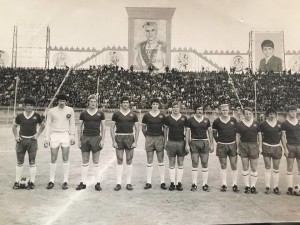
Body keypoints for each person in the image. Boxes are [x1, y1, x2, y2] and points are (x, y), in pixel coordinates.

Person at [44, 94, 76, 190]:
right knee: (53, 158)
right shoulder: (52, 111)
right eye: (60, 101)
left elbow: (72, 123)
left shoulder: (70, 110)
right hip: (54, 135)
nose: (62, 103)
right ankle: (51, 180)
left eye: (64, 101)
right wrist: (47, 138)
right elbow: (48, 124)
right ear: (57, 101)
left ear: (66, 102)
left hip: (65, 135)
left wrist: (72, 136)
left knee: (65, 158)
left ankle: (65, 181)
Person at [12, 98, 45, 189]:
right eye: (28, 105)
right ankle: (17, 181)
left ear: (33, 106)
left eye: (31, 105)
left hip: (32, 141)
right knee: (19, 161)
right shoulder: (20, 116)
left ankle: (31, 182)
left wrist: (37, 135)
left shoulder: (36, 115)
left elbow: (43, 125)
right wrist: (16, 136)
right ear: (25, 106)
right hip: (21, 140)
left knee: (32, 162)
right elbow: (14, 127)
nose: (29, 107)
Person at [76, 94, 105, 191]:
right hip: (85, 138)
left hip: (96, 138)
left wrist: (103, 140)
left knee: (96, 161)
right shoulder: (83, 113)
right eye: (91, 101)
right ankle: (83, 182)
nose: (93, 103)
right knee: (85, 161)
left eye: (95, 102)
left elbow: (104, 127)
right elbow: (79, 127)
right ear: (88, 102)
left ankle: (97, 182)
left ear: (97, 103)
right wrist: (79, 140)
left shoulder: (100, 113)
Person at [110, 96, 139, 191]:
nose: (125, 104)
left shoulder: (133, 114)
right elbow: (111, 128)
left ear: (129, 103)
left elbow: (137, 128)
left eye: (127, 102)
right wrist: (113, 141)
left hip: (129, 137)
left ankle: (128, 183)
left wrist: (135, 141)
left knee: (129, 159)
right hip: (119, 136)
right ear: (121, 103)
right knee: (119, 159)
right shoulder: (116, 114)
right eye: (124, 102)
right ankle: (118, 183)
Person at [185, 104, 214, 192]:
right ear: (195, 110)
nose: (200, 111)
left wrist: (211, 143)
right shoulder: (190, 120)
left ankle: (205, 184)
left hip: (204, 142)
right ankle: (194, 184)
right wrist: (187, 144)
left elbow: (210, 132)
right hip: (194, 142)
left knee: (205, 162)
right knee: (195, 162)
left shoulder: (206, 120)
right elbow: (187, 132)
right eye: (198, 109)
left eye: (201, 109)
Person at [212, 104, 239, 192]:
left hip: (232, 144)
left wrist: (236, 144)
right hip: (221, 145)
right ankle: (224, 184)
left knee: (234, 164)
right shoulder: (216, 121)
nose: (225, 112)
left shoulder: (233, 120)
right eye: (223, 110)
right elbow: (214, 134)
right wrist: (218, 141)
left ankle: (234, 184)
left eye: (226, 110)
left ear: (229, 110)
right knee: (223, 165)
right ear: (220, 111)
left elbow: (237, 134)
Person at [141, 98, 167, 190]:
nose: (155, 105)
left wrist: (164, 139)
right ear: (151, 105)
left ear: (159, 105)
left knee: (161, 160)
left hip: (160, 138)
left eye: (156, 104)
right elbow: (143, 128)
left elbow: (165, 129)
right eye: (153, 104)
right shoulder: (146, 115)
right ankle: (148, 182)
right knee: (149, 160)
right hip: (149, 138)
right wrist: (148, 137)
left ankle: (162, 182)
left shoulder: (162, 115)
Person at [163, 101, 188, 191]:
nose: (175, 108)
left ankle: (179, 183)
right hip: (171, 142)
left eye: (177, 107)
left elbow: (187, 131)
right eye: (174, 107)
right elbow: (165, 130)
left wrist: (187, 143)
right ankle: (173, 182)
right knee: (172, 162)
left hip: (181, 142)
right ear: (172, 108)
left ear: (179, 108)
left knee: (180, 163)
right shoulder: (168, 118)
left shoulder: (184, 118)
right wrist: (165, 141)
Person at [236, 107, 261, 194]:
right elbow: (238, 136)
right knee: (245, 167)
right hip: (243, 145)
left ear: (252, 114)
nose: (248, 115)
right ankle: (247, 186)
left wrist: (260, 146)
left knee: (254, 167)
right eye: (246, 114)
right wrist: (237, 147)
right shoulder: (239, 124)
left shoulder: (256, 123)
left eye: (250, 113)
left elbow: (259, 136)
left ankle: (253, 186)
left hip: (254, 145)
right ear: (244, 114)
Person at [259, 107, 282, 194]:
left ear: (275, 115)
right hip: (266, 146)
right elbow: (260, 136)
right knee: (268, 167)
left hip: (277, 147)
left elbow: (282, 136)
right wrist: (260, 147)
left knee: (276, 168)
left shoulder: (280, 124)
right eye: (270, 114)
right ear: (267, 115)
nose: (272, 116)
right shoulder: (262, 124)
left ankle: (276, 187)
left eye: (273, 114)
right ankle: (267, 187)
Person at [281, 105, 300, 195]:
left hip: (299, 146)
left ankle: (299, 187)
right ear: (288, 112)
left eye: (294, 111)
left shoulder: (299, 122)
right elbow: (283, 137)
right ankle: (289, 187)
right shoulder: (284, 123)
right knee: (290, 167)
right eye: (291, 111)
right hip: (290, 146)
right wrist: (285, 148)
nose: (293, 113)